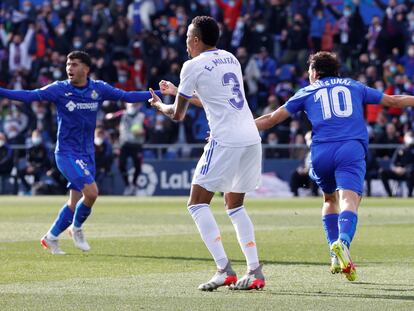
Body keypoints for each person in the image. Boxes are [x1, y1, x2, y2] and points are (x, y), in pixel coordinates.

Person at [255, 51, 414, 281]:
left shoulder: (307, 91)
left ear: (316, 72)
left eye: (309, 70)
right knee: (349, 199)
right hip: (350, 149)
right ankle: (343, 242)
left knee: (329, 199)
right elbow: (394, 101)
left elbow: (271, 118)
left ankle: (333, 252)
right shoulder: (354, 86)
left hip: (321, 152)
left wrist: (238, 129)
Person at [0, 51, 158, 254]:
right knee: (91, 193)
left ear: (86, 68)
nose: (69, 68)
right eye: (68, 64)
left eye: (74, 64)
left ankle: (50, 237)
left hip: (87, 154)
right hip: (66, 153)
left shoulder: (98, 89)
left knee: (74, 203)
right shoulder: (59, 89)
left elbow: (127, 96)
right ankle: (76, 229)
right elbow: (29, 96)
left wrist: (157, 94)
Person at [148, 16, 265, 291]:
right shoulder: (230, 58)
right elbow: (217, 100)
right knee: (235, 206)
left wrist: (160, 105)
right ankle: (255, 270)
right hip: (250, 136)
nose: (186, 41)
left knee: (197, 203)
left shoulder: (191, 65)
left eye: (188, 36)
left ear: (197, 40)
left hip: (225, 139)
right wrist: (180, 92)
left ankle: (224, 269)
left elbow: (177, 115)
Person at [118, 102, 145, 195]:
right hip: (124, 144)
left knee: (138, 166)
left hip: (136, 145)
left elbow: (148, 128)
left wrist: (143, 132)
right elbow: (109, 118)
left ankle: (134, 184)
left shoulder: (141, 116)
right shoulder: (122, 114)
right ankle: (127, 184)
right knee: (121, 165)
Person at [379, 131, 414, 197]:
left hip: (409, 173)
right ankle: (389, 194)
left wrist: (405, 169)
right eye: (409, 136)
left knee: (411, 172)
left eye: (411, 136)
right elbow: (392, 163)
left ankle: (409, 195)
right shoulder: (400, 149)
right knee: (382, 172)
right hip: (398, 172)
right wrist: (396, 169)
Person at [18, 129, 52, 194]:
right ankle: (28, 189)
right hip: (32, 167)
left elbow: (45, 162)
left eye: (38, 136)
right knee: (20, 172)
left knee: (37, 173)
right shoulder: (30, 149)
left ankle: (36, 190)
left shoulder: (44, 149)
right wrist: (30, 166)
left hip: (41, 168)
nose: (36, 137)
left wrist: (36, 167)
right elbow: (28, 160)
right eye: (35, 136)